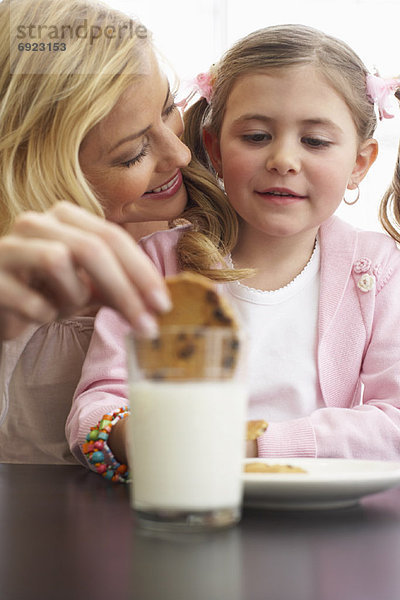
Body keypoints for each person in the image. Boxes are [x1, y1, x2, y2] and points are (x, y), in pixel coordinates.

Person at [67, 23, 400, 480]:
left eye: (315, 141)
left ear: (359, 164)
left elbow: (394, 422)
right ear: (214, 148)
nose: (283, 159)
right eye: (256, 136)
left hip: (319, 518)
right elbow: (97, 403)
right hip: (183, 505)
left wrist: (253, 444)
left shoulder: (379, 270)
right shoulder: (156, 264)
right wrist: (133, 435)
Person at [0, 0, 214, 463]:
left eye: (168, 107)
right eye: (133, 152)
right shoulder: (14, 279)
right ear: (38, 173)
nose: (180, 154)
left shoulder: (213, 225)